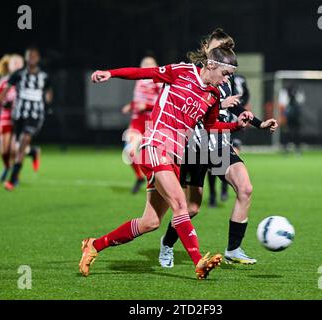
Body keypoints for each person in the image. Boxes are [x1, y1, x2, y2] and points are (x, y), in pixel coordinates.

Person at [80, 41, 254, 280]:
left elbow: (211, 125)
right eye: (225, 74)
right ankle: (198, 262)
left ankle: (94, 245)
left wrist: (236, 125)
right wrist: (111, 73)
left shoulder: (212, 95)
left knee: (150, 222)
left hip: (175, 156)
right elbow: (145, 73)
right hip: (155, 145)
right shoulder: (182, 72)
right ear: (212, 65)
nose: (226, 81)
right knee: (181, 205)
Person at [158, 28, 278, 268]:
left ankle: (234, 249)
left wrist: (259, 123)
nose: (224, 52)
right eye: (220, 47)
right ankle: (167, 245)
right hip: (196, 146)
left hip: (221, 145)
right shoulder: (191, 73)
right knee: (191, 208)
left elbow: (234, 108)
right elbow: (190, 107)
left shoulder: (226, 77)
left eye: (227, 49)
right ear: (208, 49)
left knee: (245, 188)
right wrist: (219, 103)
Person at [0, 46, 53, 190]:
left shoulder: (44, 77)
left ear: (38, 58)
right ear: (26, 58)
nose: (31, 59)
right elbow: (4, 90)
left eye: (34, 56)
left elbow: (49, 92)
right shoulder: (18, 74)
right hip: (19, 115)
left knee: (24, 140)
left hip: (35, 115)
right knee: (18, 147)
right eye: (29, 56)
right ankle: (33, 152)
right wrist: (3, 100)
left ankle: (13, 179)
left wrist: (48, 101)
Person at [207, 73, 251, 206]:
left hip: (236, 125)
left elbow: (247, 96)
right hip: (220, 125)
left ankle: (225, 188)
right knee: (214, 164)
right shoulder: (214, 78)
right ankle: (213, 194)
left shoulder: (238, 79)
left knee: (231, 158)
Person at [121, 55, 162, 194]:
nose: (146, 66)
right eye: (144, 64)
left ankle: (155, 182)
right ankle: (139, 177)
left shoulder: (158, 80)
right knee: (129, 151)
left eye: (149, 64)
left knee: (149, 157)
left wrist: (146, 106)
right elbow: (138, 100)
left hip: (151, 122)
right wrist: (131, 105)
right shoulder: (139, 80)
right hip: (137, 121)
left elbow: (162, 102)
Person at [0, 54, 24, 182]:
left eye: (19, 62)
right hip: (4, 119)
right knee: (4, 151)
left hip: (17, 119)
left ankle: (15, 175)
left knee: (14, 149)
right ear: (9, 66)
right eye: (14, 63)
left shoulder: (24, 80)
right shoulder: (4, 82)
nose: (17, 65)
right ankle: (6, 166)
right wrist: (3, 103)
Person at [280, 85, 304, 155]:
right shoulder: (286, 96)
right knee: (288, 133)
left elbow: (301, 102)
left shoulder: (298, 94)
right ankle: (286, 148)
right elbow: (283, 104)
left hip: (296, 117)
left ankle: (297, 149)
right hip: (289, 118)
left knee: (296, 133)